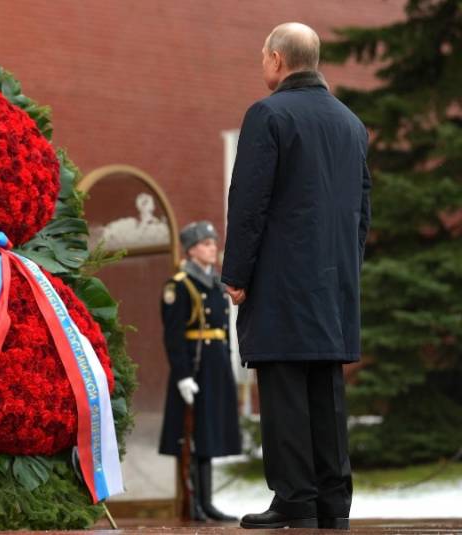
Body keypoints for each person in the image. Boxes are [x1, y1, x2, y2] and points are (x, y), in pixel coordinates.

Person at [221, 23, 371, 530]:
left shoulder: (268, 115)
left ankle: (295, 499)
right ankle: (334, 500)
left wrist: (237, 272)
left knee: (283, 386)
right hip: (334, 284)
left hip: (282, 279)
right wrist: (349, 271)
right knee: (325, 389)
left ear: (279, 59)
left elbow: (249, 202)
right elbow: (362, 210)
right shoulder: (351, 123)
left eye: (264, 55)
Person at [159, 221, 242, 522]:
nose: (212, 248)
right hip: (194, 369)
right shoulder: (180, 285)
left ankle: (207, 503)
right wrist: (182, 376)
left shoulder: (216, 284)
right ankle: (194, 502)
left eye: (213, 243)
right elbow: (174, 335)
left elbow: (223, 331)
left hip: (215, 366)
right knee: (191, 438)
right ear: (192, 249)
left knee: (207, 434)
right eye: (206, 244)